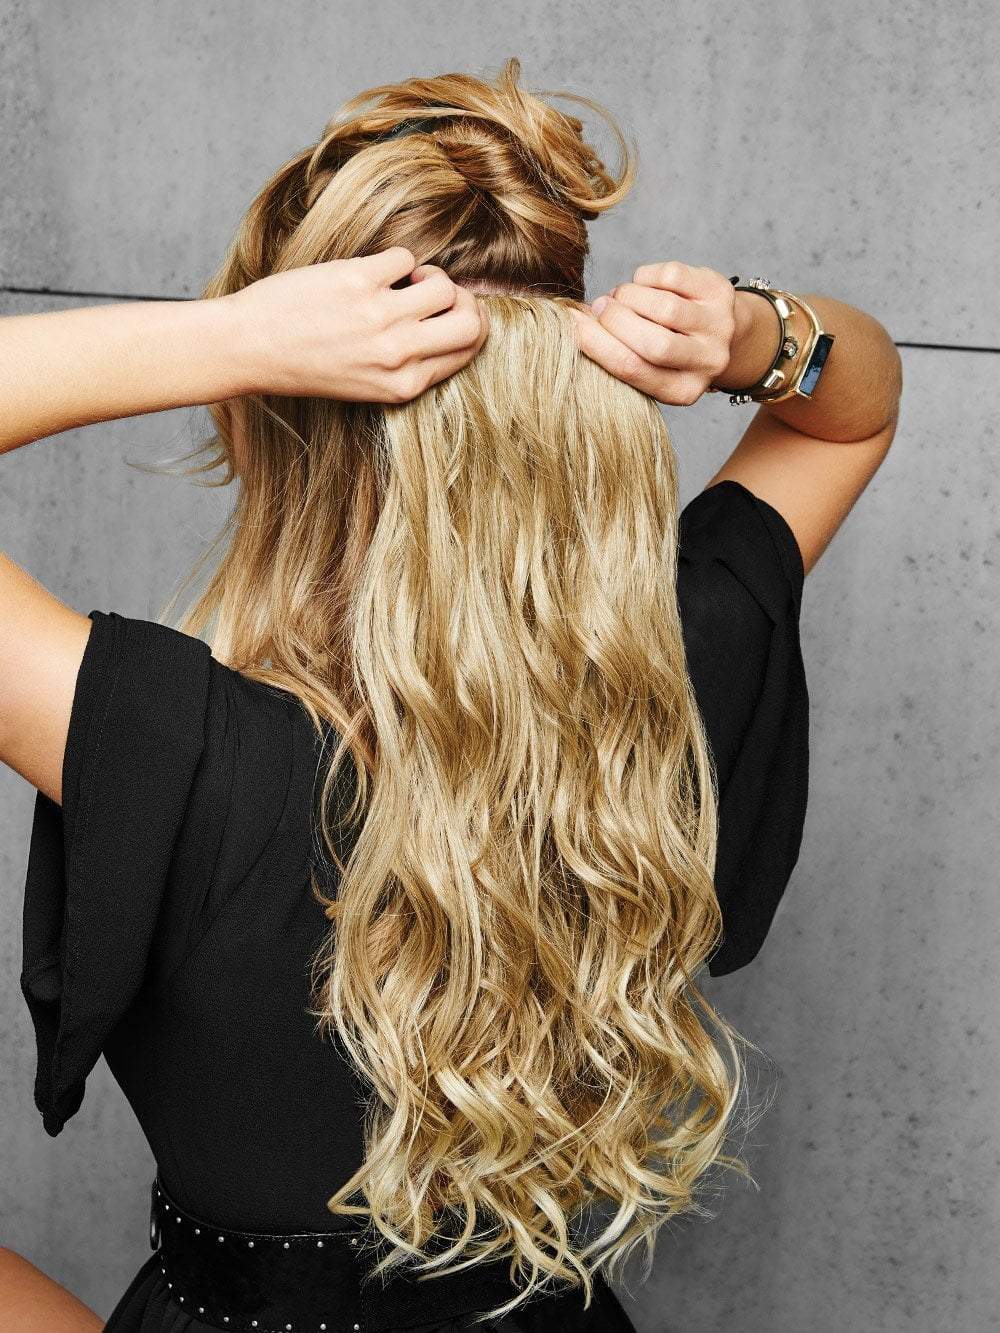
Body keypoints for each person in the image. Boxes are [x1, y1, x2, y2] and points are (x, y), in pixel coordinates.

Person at [0, 57, 901, 1333]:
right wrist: (758, 334)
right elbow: (850, 413)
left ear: (275, 419)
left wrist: (225, 339)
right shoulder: (673, 683)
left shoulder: (175, 748)